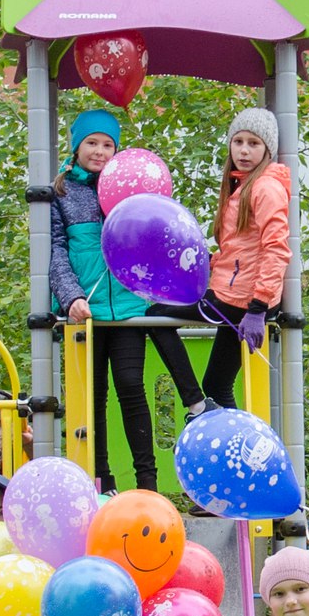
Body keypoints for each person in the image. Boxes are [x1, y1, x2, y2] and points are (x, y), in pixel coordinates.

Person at [49, 108, 205, 487]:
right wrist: (70, 296)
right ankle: (101, 479)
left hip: (129, 307)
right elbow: (56, 251)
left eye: (108, 145)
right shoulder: (62, 194)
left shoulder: (131, 187)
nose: (99, 151)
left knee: (131, 387)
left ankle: (147, 482)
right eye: (92, 143)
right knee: (93, 397)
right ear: (76, 147)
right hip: (86, 311)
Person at [199, 107, 292, 411]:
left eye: (253, 143)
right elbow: (240, 250)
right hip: (236, 293)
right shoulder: (240, 186)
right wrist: (209, 262)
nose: (244, 150)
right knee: (216, 385)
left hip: (243, 301)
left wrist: (258, 308)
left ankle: (194, 403)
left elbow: (276, 248)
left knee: (154, 314)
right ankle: (235, 436)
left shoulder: (265, 187)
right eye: (238, 142)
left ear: (267, 150)